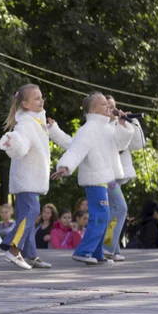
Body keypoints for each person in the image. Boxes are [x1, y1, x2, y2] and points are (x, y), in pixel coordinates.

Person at [52, 91, 134, 265]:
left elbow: (121, 144)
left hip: (107, 178)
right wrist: (65, 166)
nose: (108, 106)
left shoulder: (106, 128)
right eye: (104, 104)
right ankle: (83, 251)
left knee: (104, 214)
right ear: (93, 109)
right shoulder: (88, 129)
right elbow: (76, 150)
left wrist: (123, 125)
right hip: (94, 178)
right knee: (101, 214)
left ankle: (97, 253)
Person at [0, 84, 64, 269]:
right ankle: (12, 249)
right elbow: (22, 144)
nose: (41, 100)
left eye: (41, 97)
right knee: (30, 214)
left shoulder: (37, 122)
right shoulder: (26, 124)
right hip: (27, 179)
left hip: (32, 180)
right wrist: (13, 143)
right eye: (36, 98)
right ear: (25, 104)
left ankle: (30, 254)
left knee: (28, 215)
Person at [102, 95, 145, 262]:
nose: (112, 109)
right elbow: (115, 147)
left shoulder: (119, 123)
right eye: (107, 106)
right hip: (107, 175)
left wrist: (131, 122)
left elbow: (139, 143)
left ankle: (114, 247)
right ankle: (107, 247)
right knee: (120, 208)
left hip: (118, 174)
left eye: (114, 106)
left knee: (114, 210)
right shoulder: (101, 127)